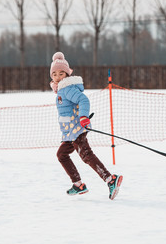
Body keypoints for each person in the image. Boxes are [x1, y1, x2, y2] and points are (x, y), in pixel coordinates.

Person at [49, 52, 123, 200]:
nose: (58, 76)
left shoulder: (67, 88)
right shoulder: (61, 90)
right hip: (70, 133)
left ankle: (110, 180)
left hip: (77, 130)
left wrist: (83, 117)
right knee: (62, 155)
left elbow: (83, 100)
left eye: (61, 73)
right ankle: (78, 184)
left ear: (67, 74)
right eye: (54, 74)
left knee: (86, 155)